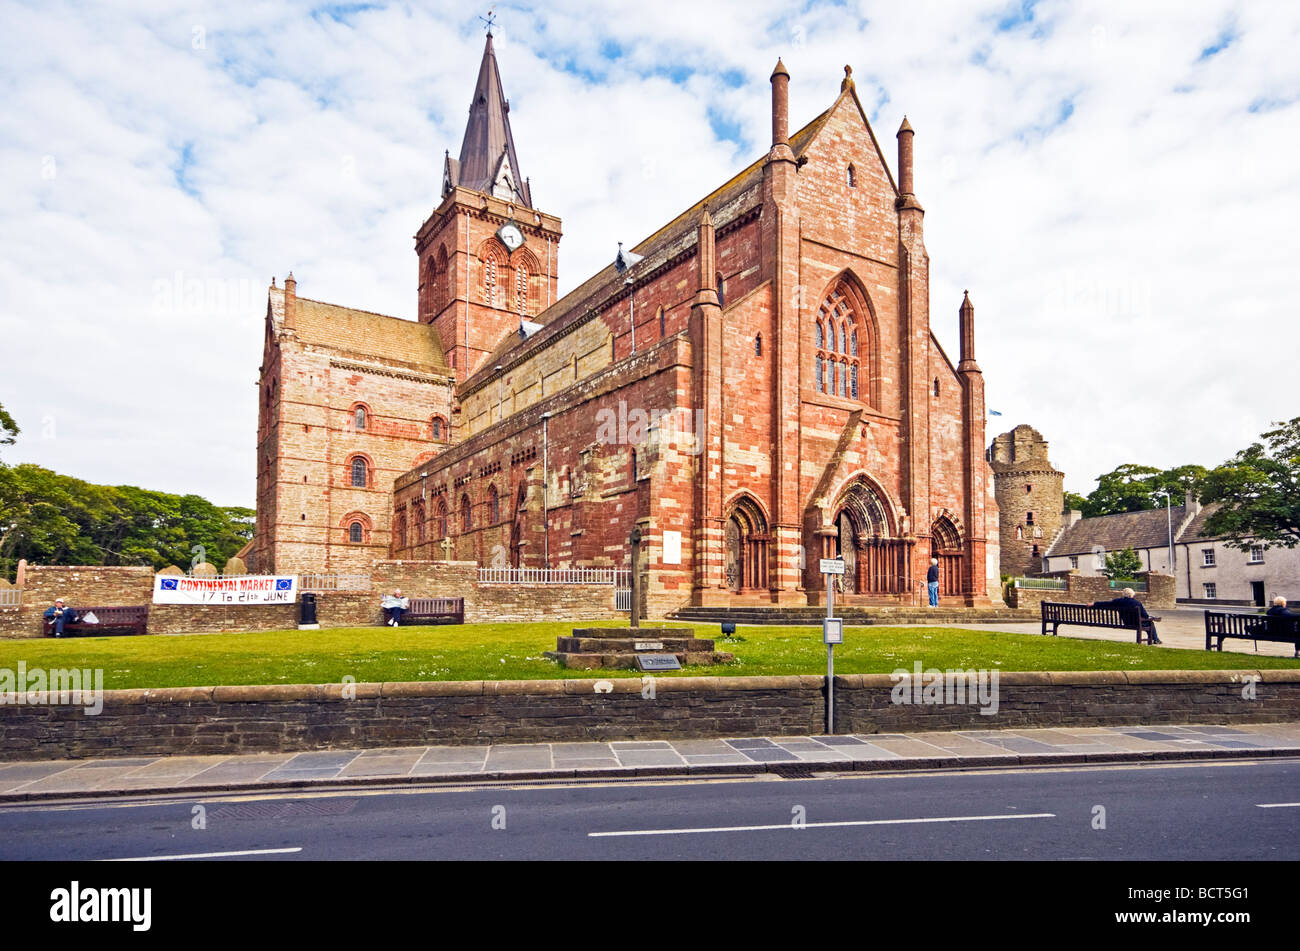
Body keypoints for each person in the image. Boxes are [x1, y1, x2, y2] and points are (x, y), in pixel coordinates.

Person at [1092, 587, 1162, 644]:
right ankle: (1156, 640)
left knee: (1147, 624)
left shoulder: (1118, 601)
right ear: (1132, 595)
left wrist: (1094, 604)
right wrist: (1150, 618)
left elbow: (1106, 603)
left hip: (1127, 622)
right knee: (1150, 623)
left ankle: (1155, 639)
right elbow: (1145, 616)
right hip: (1136, 623)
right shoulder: (1137, 603)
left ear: (1124, 594)